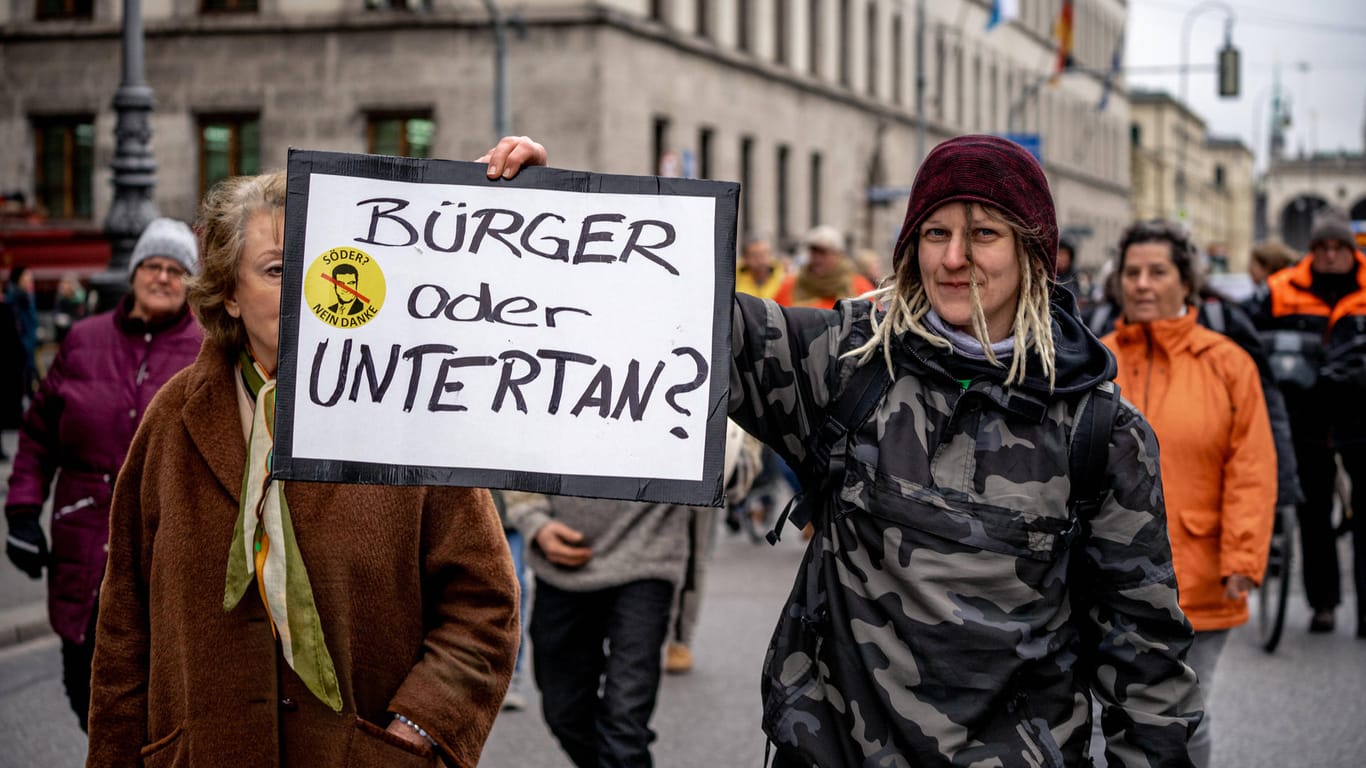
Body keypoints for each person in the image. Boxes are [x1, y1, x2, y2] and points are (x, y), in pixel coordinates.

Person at [488, 133, 1202, 766]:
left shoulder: (1099, 430)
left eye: (983, 233)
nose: (954, 258)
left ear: (1033, 250)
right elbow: (679, 311)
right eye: (934, 233)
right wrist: (561, 213)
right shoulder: (847, 363)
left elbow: (1144, 649)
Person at [85, 170, 520, 767]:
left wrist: (419, 726)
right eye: (277, 269)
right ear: (229, 294)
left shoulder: (405, 412)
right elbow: (123, 629)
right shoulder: (172, 421)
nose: (309, 288)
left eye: (322, 265)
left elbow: (485, 602)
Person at [4, 217, 203, 731]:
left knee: (162, 700)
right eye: (152, 266)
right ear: (135, 273)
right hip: (83, 545)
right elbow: (38, 434)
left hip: (168, 553)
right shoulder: (83, 340)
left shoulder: (208, 352)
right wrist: (23, 511)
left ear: (191, 283)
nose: (162, 277)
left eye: (176, 270)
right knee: (85, 689)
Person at [1099, 219, 1277, 766]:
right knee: (1106, 721)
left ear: (1187, 280)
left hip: (1196, 573)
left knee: (1181, 719)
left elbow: (1251, 466)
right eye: (1132, 273)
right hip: (1101, 578)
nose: (1143, 284)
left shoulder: (1227, 363)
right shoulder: (1095, 359)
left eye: (1158, 271)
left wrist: (1243, 557)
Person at [506, 491, 695, 767]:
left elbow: (742, 452)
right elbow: (521, 450)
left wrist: (732, 464)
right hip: (560, 558)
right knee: (564, 712)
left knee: (625, 726)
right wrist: (533, 519)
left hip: (650, 551)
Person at [1253, 206, 1366, 639]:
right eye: (1324, 247)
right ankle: (1323, 605)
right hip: (1307, 419)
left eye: (1340, 247)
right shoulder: (1281, 289)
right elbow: (1251, 339)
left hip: (1360, 418)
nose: (1332, 255)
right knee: (1314, 515)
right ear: (1313, 249)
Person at [772, 225, 874, 308]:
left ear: (838, 255)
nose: (817, 258)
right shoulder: (791, 284)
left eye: (823, 252)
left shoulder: (859, 287)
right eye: (813, 251)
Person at [5, 264, 39, 397]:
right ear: (18, 279)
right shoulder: (15, 298)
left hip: (28, 345)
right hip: (21, 347)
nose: (30, 279)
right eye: (27, 276)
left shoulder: (27, 296)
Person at [1244, 239, 1297, 313]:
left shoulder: (1272, 297)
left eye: (1253, 265)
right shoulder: (1262, 293)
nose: (1249, 270)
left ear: (1267, 268)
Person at [734, 235, 786, 300]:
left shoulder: (784, 277)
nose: (761, 260)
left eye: (765, 254)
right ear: (745, 258)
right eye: (755, 256)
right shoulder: (733, 280)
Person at [52, 271, 89, 343]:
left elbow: (84, 317)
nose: (63, 287)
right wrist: (58, 317)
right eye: (62, 285)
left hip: (77, 333)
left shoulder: (80, 299)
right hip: (62, 332)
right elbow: (55, 312)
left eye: (66, 284)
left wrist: (69, 321)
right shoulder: (60, 298)